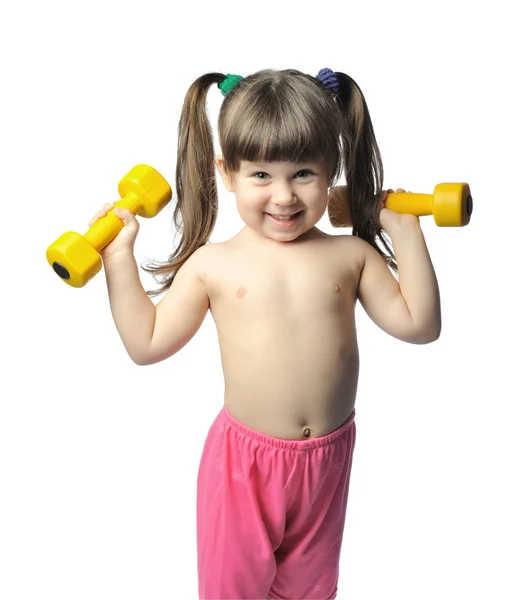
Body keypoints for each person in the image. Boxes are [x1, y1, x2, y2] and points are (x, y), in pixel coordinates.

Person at [89, 68, 441, 600]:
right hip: (245, 469)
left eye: (303, 172)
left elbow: (420, 326)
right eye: (261, 176)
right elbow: (147, 343)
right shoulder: (214, 266)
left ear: (331, 172)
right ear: (227, 173)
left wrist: (406, 233)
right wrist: (119, 260)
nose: (284, 195)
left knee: (310, 592)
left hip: (326, 459)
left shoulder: (351, 256)